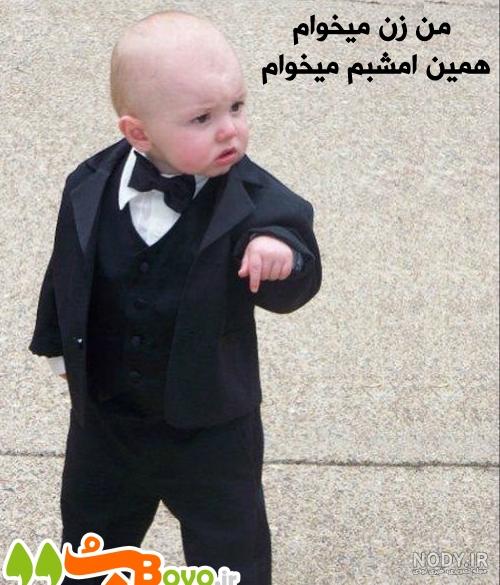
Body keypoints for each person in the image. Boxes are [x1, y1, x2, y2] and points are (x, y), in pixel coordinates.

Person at [29, 9, 322, 585]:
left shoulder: (257, 201)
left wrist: (281, 256)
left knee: (231, 547)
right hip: (107, 421)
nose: (229, 130)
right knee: (90, 537)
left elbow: (299, 277)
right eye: (202, 118)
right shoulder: (88, 184)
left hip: (211, 427)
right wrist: (57, 345)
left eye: (237, 106)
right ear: (138, 133)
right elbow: (67, 270)